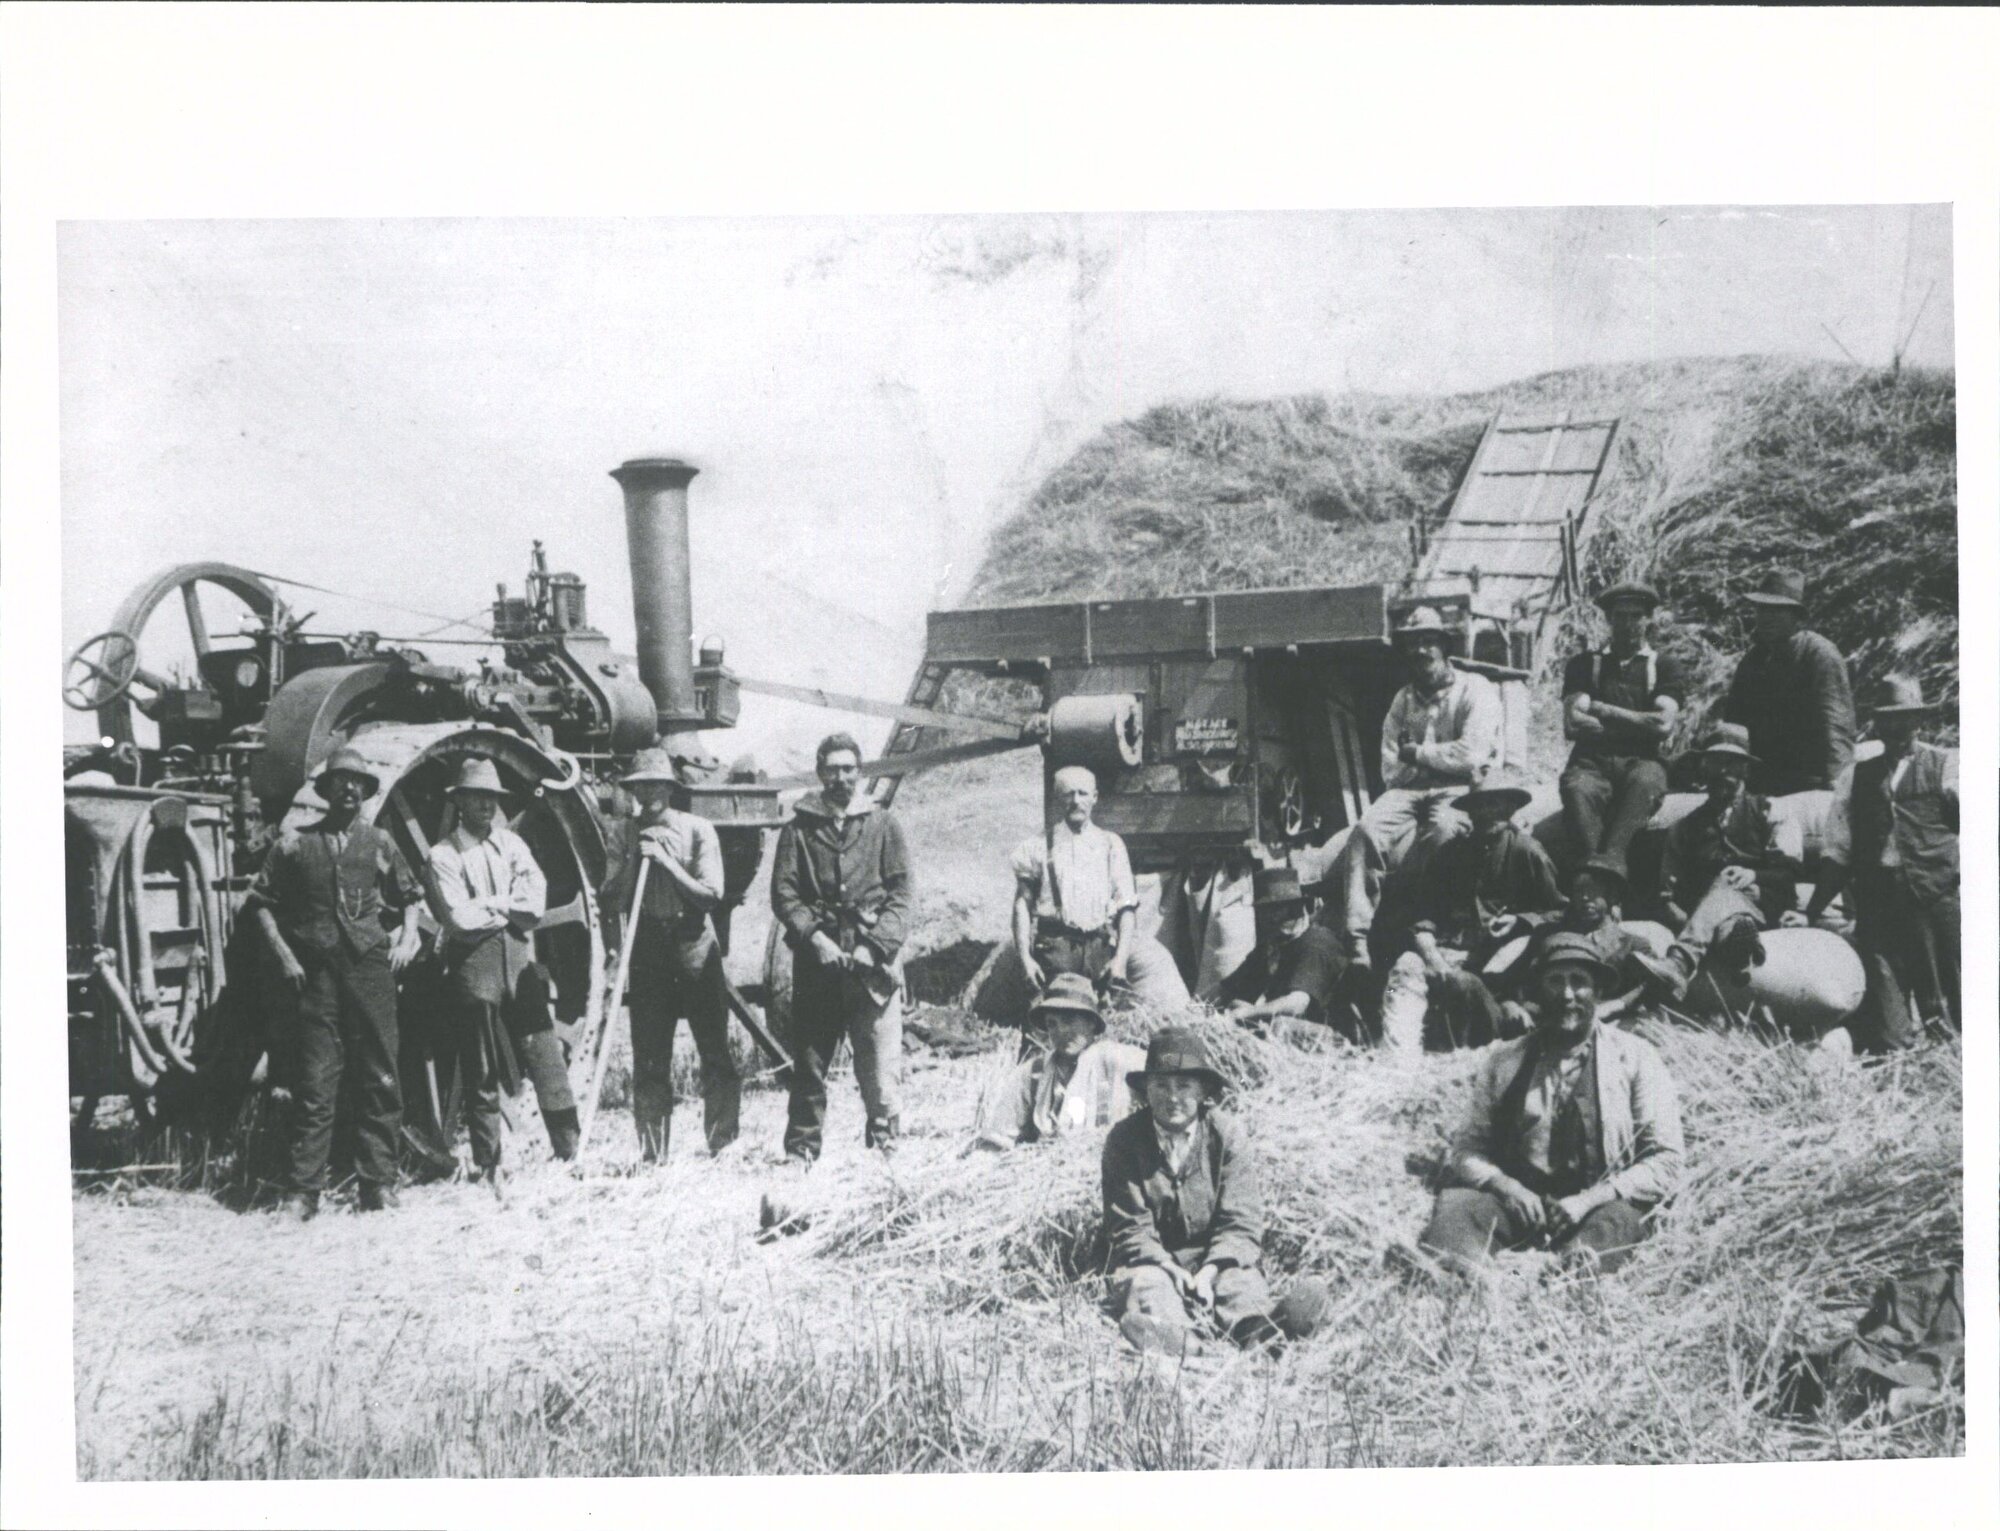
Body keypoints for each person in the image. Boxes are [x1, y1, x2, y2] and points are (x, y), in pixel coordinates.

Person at [1416, 932, 1684, 1278]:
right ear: (1538, 992)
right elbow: (1467, 1149)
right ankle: (1462, 1276)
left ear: (1598, 992)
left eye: (1579, 982)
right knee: (1456, 1210)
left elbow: (1666, 1160)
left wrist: (1589, 1200)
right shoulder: (1504, 1061)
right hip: (1518, 1205)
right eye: (1555, 981)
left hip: (1597, 1205)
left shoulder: (1636, 1057)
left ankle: (1567, 1275)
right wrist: (1506, 1187)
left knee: (1618, 1223)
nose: (1568, 994)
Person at [246, 747, 422, 1218]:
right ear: (324, 792)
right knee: (316, 1080)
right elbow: (259, 902)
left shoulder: (380, 843)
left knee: (380, 1075)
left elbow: (411, 896)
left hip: (370, 970)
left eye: (357, 783)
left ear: (366, 792)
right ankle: (303, 1192)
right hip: (316, 974)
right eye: (340, 781)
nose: (349, 789)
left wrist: (407, 939)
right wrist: (284, 956)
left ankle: (378, 1185)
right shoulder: (295, 845)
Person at [1101, 1026, 1327, 1355]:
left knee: (1241, 1284)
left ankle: (1264, 1335)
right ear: (1146, 1091)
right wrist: (1170, 1268)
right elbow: (1130, 1227)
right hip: (1157, 1263)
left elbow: (1241, 1220)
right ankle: (1186, 1347)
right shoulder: (1123, 1140)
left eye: (1184, 1085)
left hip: (1217, 1261)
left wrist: (1208, 1272)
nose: (1172, 1096)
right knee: (1147, 1286)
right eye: (1161, 1085)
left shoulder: (1226, 1135)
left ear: (1203, 1090)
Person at [426, 757, 576, 1198]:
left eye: (492, 798)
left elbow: (536, 900)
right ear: (459, 802)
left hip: (520, 962)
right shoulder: (443, 855)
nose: (487, 805)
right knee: (482, 1068)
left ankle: (569, 1153)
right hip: (476, 968)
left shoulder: (511, 846)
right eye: (478, 797)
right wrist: (508, 905)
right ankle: (489, 1167)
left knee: (546, 1056)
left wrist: (492, 904)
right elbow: (457, 917)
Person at [1324, 605, 1503, 970]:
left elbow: (1471, 755)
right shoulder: (1402, 700)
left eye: (1428, 642)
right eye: (1412, 645)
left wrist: (1417, 753)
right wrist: (1431, 759)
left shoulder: (1475, 689)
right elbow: (1391, 767)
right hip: (1408, 790)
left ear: (1444, 647)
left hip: (1457, 788)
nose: (1421, 652)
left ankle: (1431, 924)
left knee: (1445, 832)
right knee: (1364, 831)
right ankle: (1357, 934)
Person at [771, 732, 913, 1161]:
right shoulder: (799, 828)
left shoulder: (882, 823)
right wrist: (814, 938)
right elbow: (784, 894)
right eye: (831, 769)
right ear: (819, 773)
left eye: (848, 769)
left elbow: (902, 894)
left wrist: (875, 946)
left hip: (873, 967)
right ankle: (801, 1152)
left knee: (880, 1065)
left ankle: (886, 1145)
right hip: (819, 967)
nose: (840, 778)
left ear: (859, 772)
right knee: (810, 1064)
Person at [602, 745, 740, 1160]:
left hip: (694, 946)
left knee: (714, 1050)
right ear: (632, 791)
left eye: (657, 785)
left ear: (670, 787)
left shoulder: (698, 830)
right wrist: (634, 861)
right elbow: (612, 901)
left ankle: (722, 1144)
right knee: (649, 1058)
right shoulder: (621, 834)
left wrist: (666, 862)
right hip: (647, 953)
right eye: (640, 787)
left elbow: (710, 896)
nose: (649, 795)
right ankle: (652, 1152)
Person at [1809, 676, 1959, 1050]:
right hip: (1879, 905)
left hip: (1934, 899)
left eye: (1903, 719)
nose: (1895, 728)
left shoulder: (1947, 767)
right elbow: (1838, 852)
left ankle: (1955, 1077)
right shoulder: (1856, 777)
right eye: (1887, 719)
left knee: (1948, 1004)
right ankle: (1900, 1070)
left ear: (1918, 721)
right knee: (1889, 1022)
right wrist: (1813, 908)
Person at [1375, 785, 1563, 1055]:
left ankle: (1463, 1059)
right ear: (1470, 813)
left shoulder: (1527, 851)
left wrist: (1520, 921)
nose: (1488, 813)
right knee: (1405, 968)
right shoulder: (1451, 854)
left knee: (1463, 986)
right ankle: (1400, 1060)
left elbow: (1558, 912)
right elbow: (1426, 911)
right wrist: (1428, 947)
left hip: (1501, 962)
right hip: (1447, 952)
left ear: (1511, 809)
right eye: (1480, 806)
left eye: (1497, 804)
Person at [1010, 764, 1189, 1024]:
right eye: (1068, 794)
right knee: (1053, 1026)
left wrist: (1120, 960)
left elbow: (1126, 908)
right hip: (1056, 949)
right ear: (1057, 799)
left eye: (1083, 793)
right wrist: (1025, 958)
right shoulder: (1036, 847)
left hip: (1099, 949)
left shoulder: (1110, 844)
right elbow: (1021, 907)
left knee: (1098, 1024)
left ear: (1095, 797)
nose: (1076, 801)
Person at [1654, 724, 1800, 998]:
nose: (1723, 772)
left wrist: (1754, 876)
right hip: (1704, 913)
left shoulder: (1771, 810)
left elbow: (1789, 873)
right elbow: (1667, 894)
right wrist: (1692, 920)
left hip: (1763, 904)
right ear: (1702, 769)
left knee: (1726, 885)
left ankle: (1679, 962)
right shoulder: (1685, 827)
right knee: (1728, 909)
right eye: (1715, 763)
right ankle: (1736, 946)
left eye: (1732, 764)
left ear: (1746, 769)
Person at [1559, 582, 1683, 864]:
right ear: (1608, 618)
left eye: (1636, 616)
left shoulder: (1664, 666)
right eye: (1620, 616)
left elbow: (1663, 725)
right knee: (1577, 787)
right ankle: (1593, 870)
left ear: (1649, 618)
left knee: (1644, 784)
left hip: (1643, 760)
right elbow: (1573, 724)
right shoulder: (1583, 665)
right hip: (1591, 761)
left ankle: (1613, 861)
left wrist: (1603, 710)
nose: (1628, 624)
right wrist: (1639, 724)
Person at [1484, 853, 1670, 1028]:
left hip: (1604, 1024)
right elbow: (1515, 979)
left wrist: (1616, 1005)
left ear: (1613, 896)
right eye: (1579, 890)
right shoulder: (1549, 936)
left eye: (1594, 890)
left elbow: (1653, 984)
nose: (1585, 897)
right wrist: (1512, 1005)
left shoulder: (1631, 944)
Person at [970, 973, 1147, 1151]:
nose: (1061, 1031)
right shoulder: (1033, 1073)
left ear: (1091, 1023)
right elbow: (998, 1135)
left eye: (1069, 1021)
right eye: (1052, 1024)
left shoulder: (1115, 1058)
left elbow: (1165, 1063)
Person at [1721, 568, 1857, 797]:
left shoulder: (1818, 654)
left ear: (1797, 618)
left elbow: (1834, 723)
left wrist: (1837, 783)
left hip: (1808, 781)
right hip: (1762, 778)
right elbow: (1735, 721)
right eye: (1761, 609)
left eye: (1777, 611)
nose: (1765, 617)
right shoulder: (1754, 660)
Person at [1217, 867, 1355, 1044]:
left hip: (1336, 1040)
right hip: (1297, 1035)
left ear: (1302, 907)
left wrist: (1247, 1013)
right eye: (1271, 909)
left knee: (1279, 1025)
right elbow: (1227, 990)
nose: (1279, 916)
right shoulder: (1273, 946)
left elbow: (1297, 1004)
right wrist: (1190, 1010)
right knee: (1238, 1005)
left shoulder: (1316, 944)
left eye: (1289, 908)